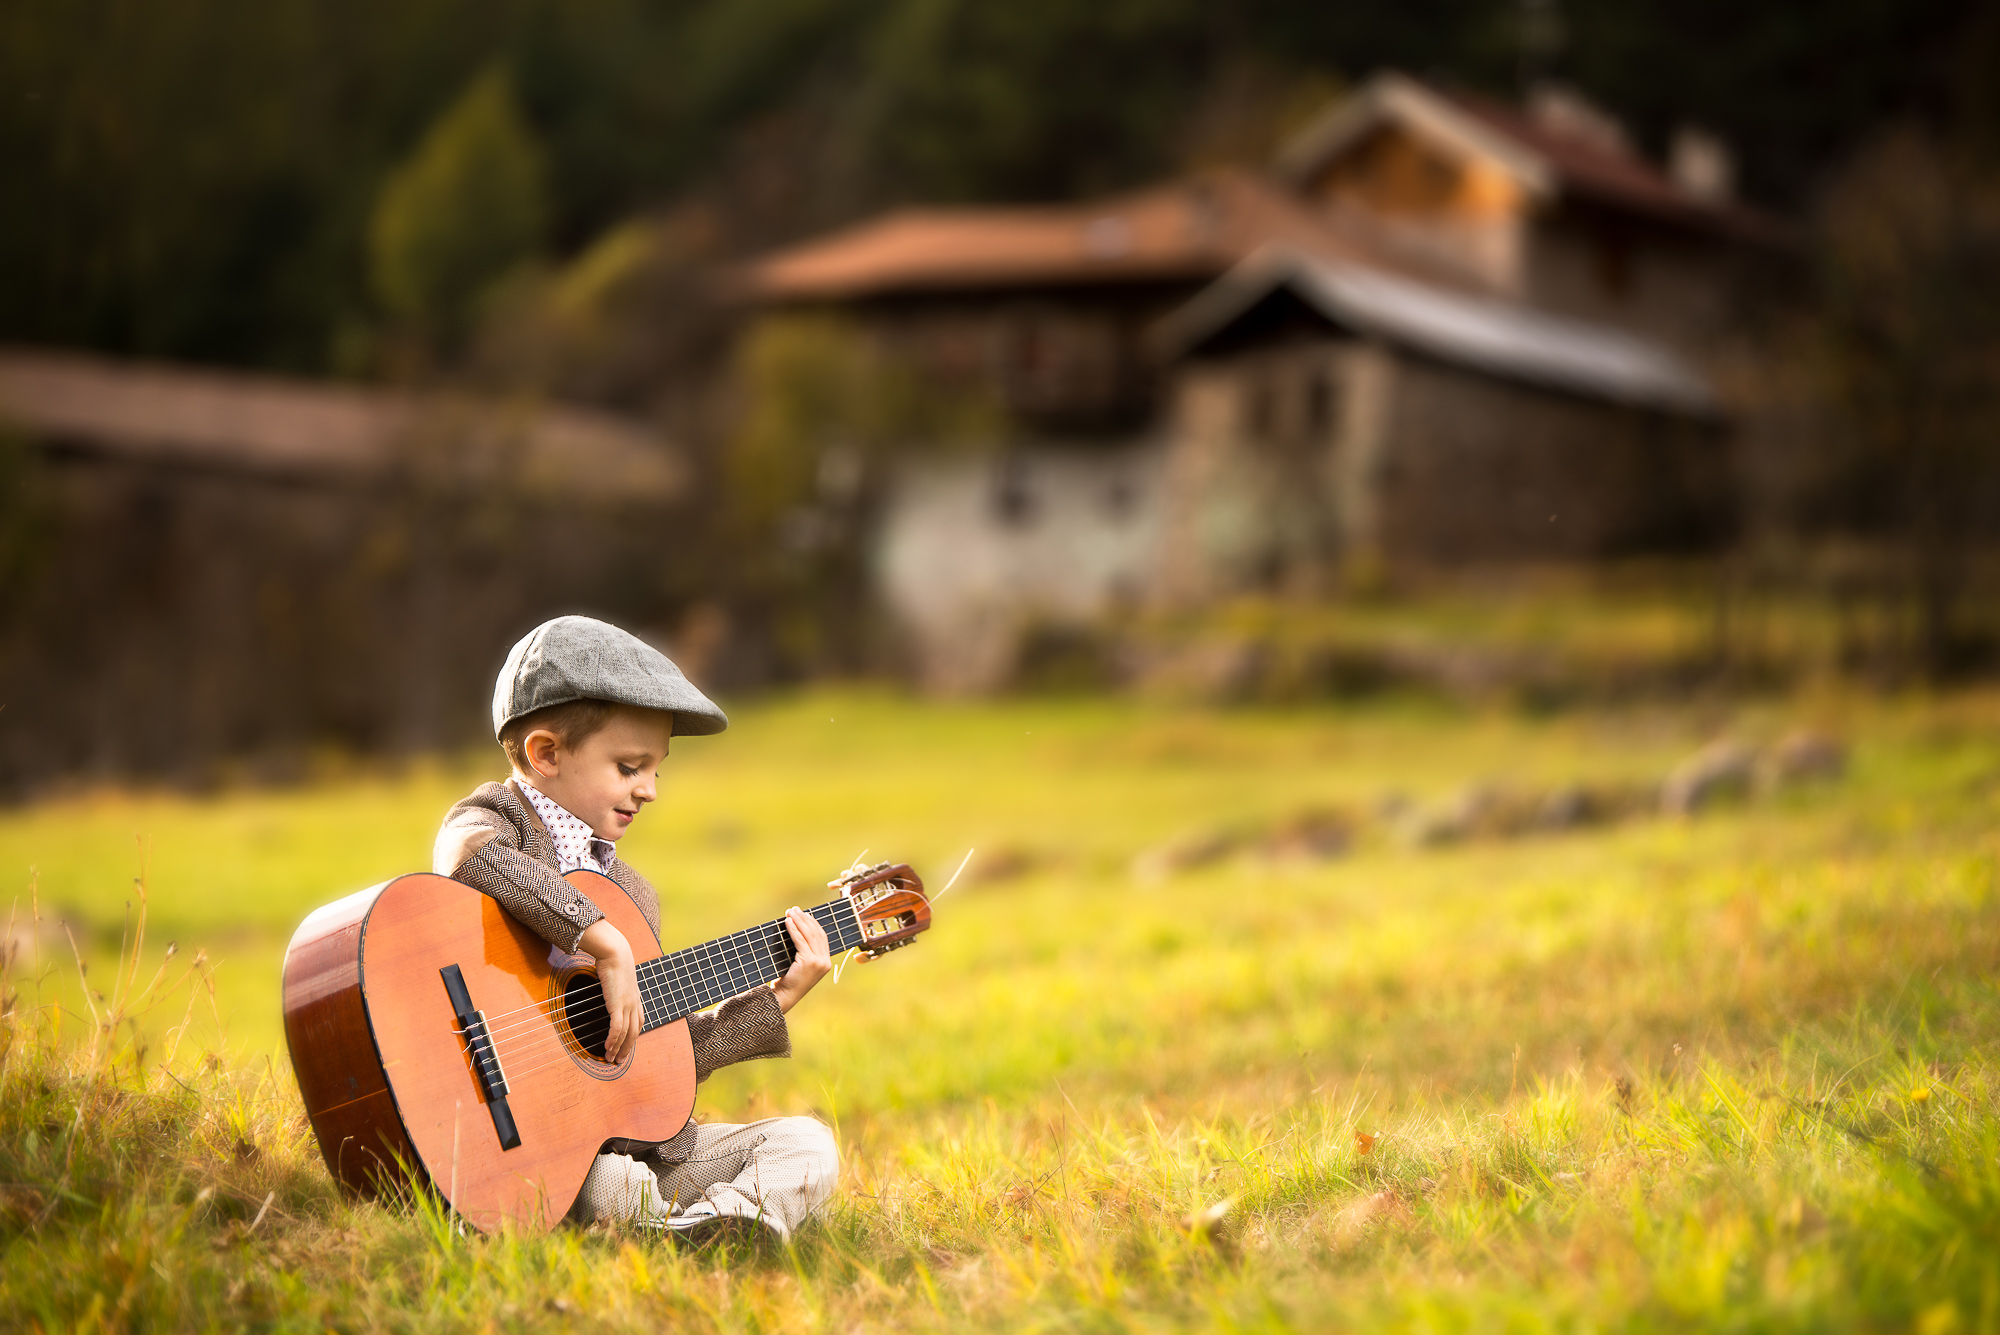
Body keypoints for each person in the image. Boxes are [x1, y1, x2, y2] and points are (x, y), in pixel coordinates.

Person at [432, 614, 838, 1244]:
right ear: (545, 753)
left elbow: (649, 1070)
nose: (648, 790)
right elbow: (467, 854)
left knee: (805, 1145)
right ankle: (651, 1223)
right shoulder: (498, 820)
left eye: (657, 769)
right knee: (606, 1182)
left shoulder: (632, 895)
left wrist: (773, 1001)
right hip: (533, 1148)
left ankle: (715, 1227)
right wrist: (602, 940)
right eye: (628, 767)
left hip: (620, 1147)